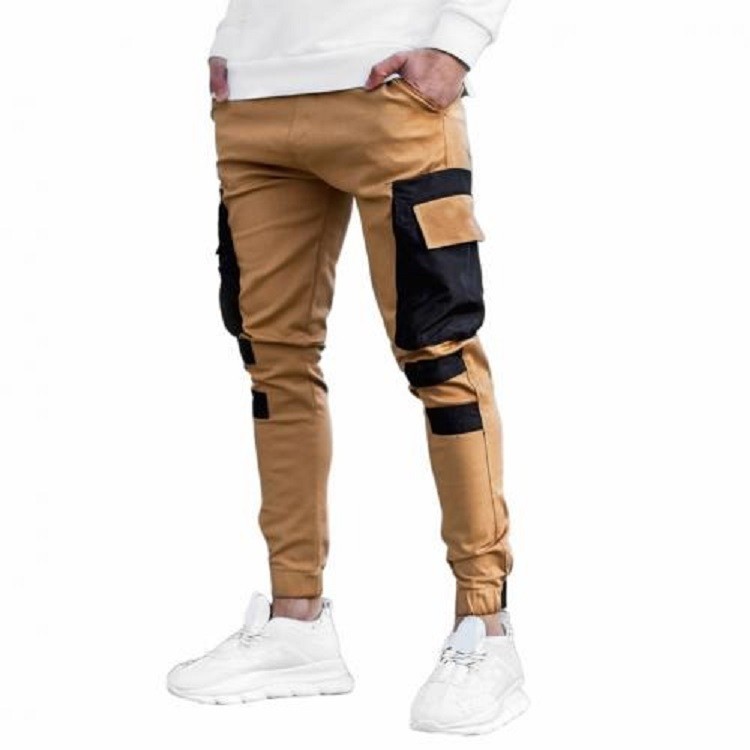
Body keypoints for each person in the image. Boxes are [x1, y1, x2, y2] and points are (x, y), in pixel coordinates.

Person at [166, 0, 529, 734]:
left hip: (391, 92)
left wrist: (457, 43)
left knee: (440, 358)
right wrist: (237, 39)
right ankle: (295, 622)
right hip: (254, 99)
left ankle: (484, 628)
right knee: (272, 362)